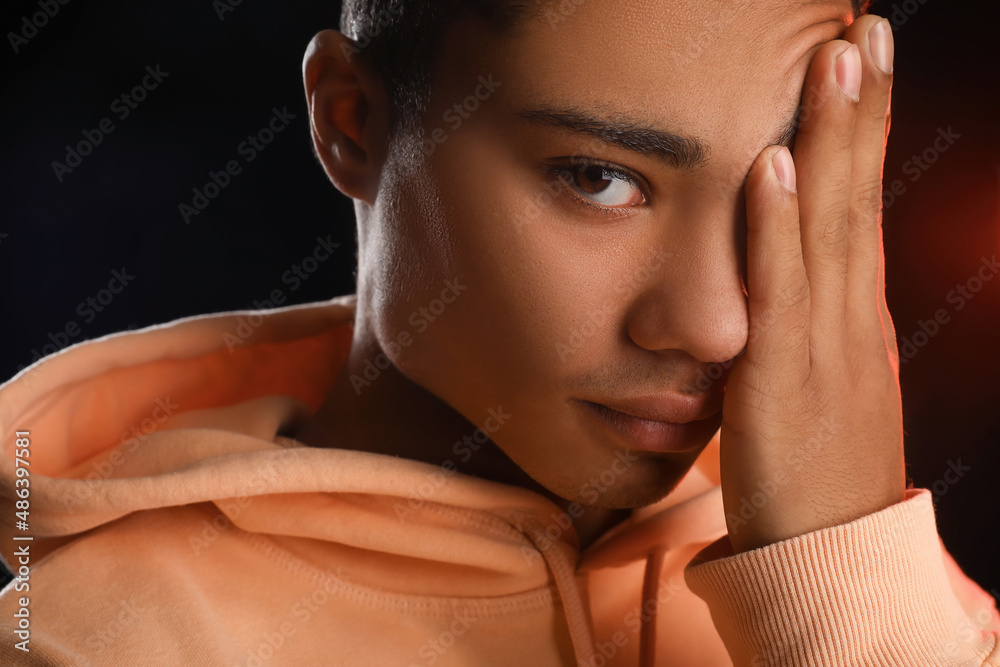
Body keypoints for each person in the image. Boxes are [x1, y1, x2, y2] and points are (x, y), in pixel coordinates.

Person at [1, 0, 998, 664]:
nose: (715, 323)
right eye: (600, 178)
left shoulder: (885, 587)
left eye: (775, 191)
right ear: (351, 121)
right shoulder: (103, 641)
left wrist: (839, 576)